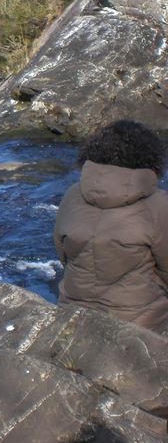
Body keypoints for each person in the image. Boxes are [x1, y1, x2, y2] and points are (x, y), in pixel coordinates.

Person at [53, 120, 168, 333]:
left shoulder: (72, 195)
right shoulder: (160, 205)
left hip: (72, 316)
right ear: (150, 157)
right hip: (140, 329)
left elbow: (63, 255)